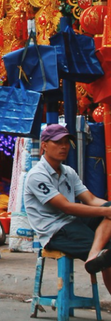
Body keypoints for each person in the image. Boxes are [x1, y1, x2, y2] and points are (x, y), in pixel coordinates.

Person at [23, 124, 111, 290]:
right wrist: (107, 211)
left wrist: (108, 209)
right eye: (58, 142)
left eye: (66, 142)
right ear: (44, 145)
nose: (63, 147)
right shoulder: (37, 175)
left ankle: (94, 255)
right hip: (55, 231)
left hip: (73, 223)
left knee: (108, 209)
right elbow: (66, 207)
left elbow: (91, 199)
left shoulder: (68, 172)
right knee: (107, 254)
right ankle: (97, 254)